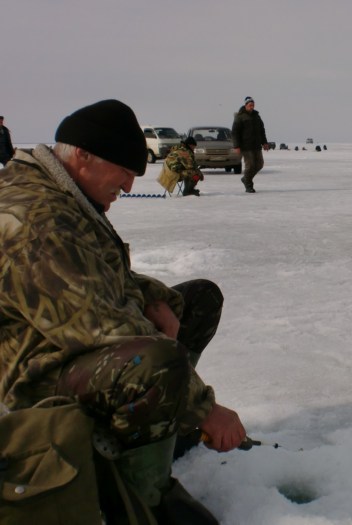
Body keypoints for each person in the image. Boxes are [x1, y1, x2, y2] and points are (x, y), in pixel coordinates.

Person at [0, 99, 247, 524]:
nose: (130, 187)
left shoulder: (63, 193)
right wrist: (207, 408)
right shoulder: (38, 221)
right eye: (125, 173)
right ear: (83, 156)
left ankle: (159, 427)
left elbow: (103, 276)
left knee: (198, 299)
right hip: (38, 377)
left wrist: (158, 300)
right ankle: (145, 497)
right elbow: (105, 328)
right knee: (155, 360)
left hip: (72, 346)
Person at [232, 96, 269, 193]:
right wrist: (236, 146)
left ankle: (246, 178)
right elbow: (235, 132)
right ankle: (248, 184)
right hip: (246, 146)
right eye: (250, 105)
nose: (251, 107)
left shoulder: (257, 116)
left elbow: (262, 130)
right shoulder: (240, 117)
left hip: (256, 145)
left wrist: (264, 142)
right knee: (250, 165)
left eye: (253, 105)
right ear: (246, 105)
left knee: (260, 164)